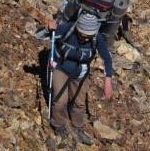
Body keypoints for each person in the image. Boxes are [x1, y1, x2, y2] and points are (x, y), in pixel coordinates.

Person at [48, 12, 112, 143]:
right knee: (60, 100)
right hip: (61, 67)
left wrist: (107, 80)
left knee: (79, 102)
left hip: (81, 72)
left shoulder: (96, 38)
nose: (85, 39)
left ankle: (77, 126)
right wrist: (48, 28)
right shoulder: (68, 28)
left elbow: (107, 59)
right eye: (82, 34)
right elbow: (43, 35)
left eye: (88, 36)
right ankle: (58, 124)